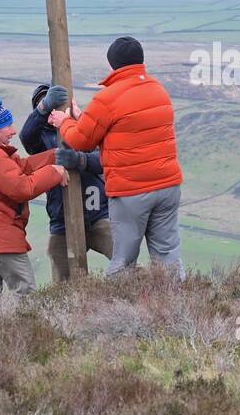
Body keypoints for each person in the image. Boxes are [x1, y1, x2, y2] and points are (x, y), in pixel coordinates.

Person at [48, 37, 183, 275]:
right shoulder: (158, 90)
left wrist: (64, 121)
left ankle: (117, 309)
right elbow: (127, 130)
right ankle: (174, 304)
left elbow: (80, 140)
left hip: (131, 191)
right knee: (167, 256)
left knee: (123, 262)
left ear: (113, 65)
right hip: (168, 186)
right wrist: (83, 119)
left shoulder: (108, 97)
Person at [0, 97, 74, 293]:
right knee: (25, 294)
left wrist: (54, 154)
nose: (12, 131)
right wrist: (55, 172)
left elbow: (18, 168)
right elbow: (21, 188)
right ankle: (30, 325)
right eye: (7, 125)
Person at [20, 81, 112, 281]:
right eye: (45, 104)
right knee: (62, 282)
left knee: (125, 260)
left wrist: (80, 160)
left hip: (98, 214)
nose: (51, 108)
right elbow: (26, 135)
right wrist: (42, 109)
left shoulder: (83, 128)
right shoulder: (39, 139)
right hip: (62, 220)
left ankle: (147, 297)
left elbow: (103, 160)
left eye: (56, 103)